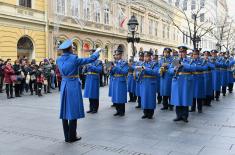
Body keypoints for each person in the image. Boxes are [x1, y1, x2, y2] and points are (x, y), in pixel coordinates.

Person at [56, 39, 101, 143]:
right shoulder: (74, 58)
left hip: (64, 84)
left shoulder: (58, 59)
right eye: (72, 47)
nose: (73, 49)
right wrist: (97, 52)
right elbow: (90, 59)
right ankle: (72, 136)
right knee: (73, 110)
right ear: (70, 48)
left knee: (64, 110)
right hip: (73, 84)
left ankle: (66, 136)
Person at [170, 46, 195, 123]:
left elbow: (193, 68)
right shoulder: (176, 60)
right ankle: (178, 115)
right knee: (178, 98)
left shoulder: (189, 60)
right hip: (177, 81)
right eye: (180, 52)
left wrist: (183, 64)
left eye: (183, 52)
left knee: (185, 98)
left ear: (186, 53)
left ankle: (185, 116)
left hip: (185, 81)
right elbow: (170, 70)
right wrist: (174, 69)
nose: (181, 53)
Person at [137, 50, 159, 119]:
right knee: (144, 98)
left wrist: (146, 69)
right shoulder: (141, 64)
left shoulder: (155, 64)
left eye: (147, 56)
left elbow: (156, 72)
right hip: (143, 83)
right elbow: (137, 72)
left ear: (150, 57)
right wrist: (137, 74)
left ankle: (150, 113)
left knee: (150, 98)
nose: (145, 58)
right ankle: (145, 112)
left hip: (151, 83)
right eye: (144, 56)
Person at [109, 45, 129, 116]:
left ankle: (122, 111)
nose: (116, 56)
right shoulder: (115, 63)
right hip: (115, 80)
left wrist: (116, 67)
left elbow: (125, 72)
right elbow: (111, 73)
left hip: (121, 80)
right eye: (115, 55)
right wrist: (110, 70)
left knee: (120, 96)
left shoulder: (124, 63)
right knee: (116, 96)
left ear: (120, 55)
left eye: (117, 55)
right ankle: (117, 110)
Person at [84, 49, 103, 114]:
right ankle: (91, 108)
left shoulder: (98, 62)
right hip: (89, 78)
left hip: (94, 78)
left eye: (92, 53)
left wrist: (92, 67)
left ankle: (95, 108)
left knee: (94, 94)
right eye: (90, 54)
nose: (91, 55)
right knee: (90, 94)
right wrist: (85, 68)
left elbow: (99, 70)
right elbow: (85, 71)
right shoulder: (89, 61)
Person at [190, 49, 207, 113]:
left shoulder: (202, 60)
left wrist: (195, 67)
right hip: (193, 78)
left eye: (196, 54)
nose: (194, 56)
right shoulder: (190, 61)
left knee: (199, 94)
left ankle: (200, 108)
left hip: (199, 79)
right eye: (194, 54)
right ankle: (192, 107)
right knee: (192, 94)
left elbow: (205, 68)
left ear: (198, 55)